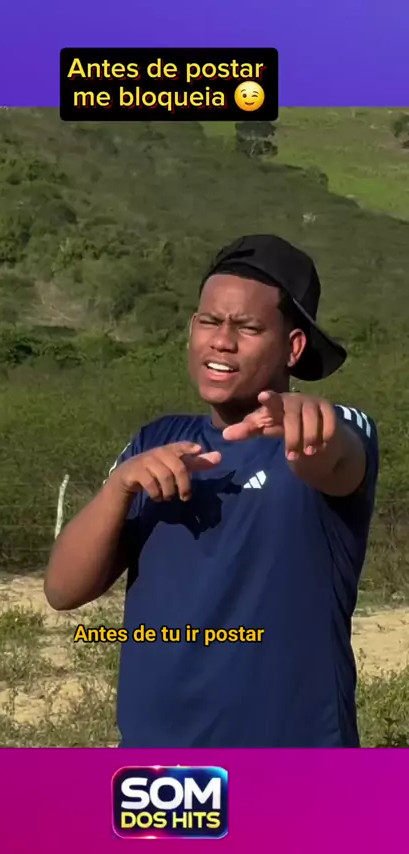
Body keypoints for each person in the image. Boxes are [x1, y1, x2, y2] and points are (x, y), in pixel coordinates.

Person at [44, 234, 379, 748]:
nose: (222, 341)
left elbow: (335, 457)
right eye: (209, 321)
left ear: (293, 347)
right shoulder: (155, 441)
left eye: (247, 327)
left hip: (295, 758)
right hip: (159, 766)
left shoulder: (335, 429)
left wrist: (314, 430)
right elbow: (63, 591)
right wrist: (119, 487)